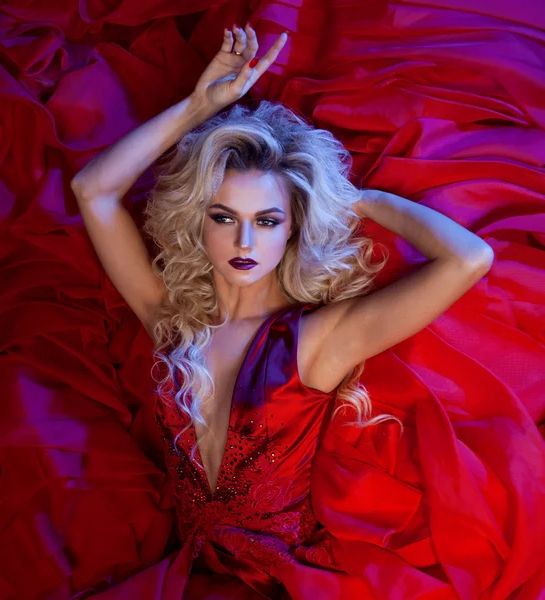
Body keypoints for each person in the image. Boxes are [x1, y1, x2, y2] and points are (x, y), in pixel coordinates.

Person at [70, 22, 494, 600]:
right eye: (223, 217)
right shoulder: (171, 323)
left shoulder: (320, 339)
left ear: (292, 228)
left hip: (283, 585)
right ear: (198, 223)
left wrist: (355, 199)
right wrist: (198, 105)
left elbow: (470, 258)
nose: (245, 241)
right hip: (184, 573)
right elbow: (93, 189)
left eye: (266, 221)